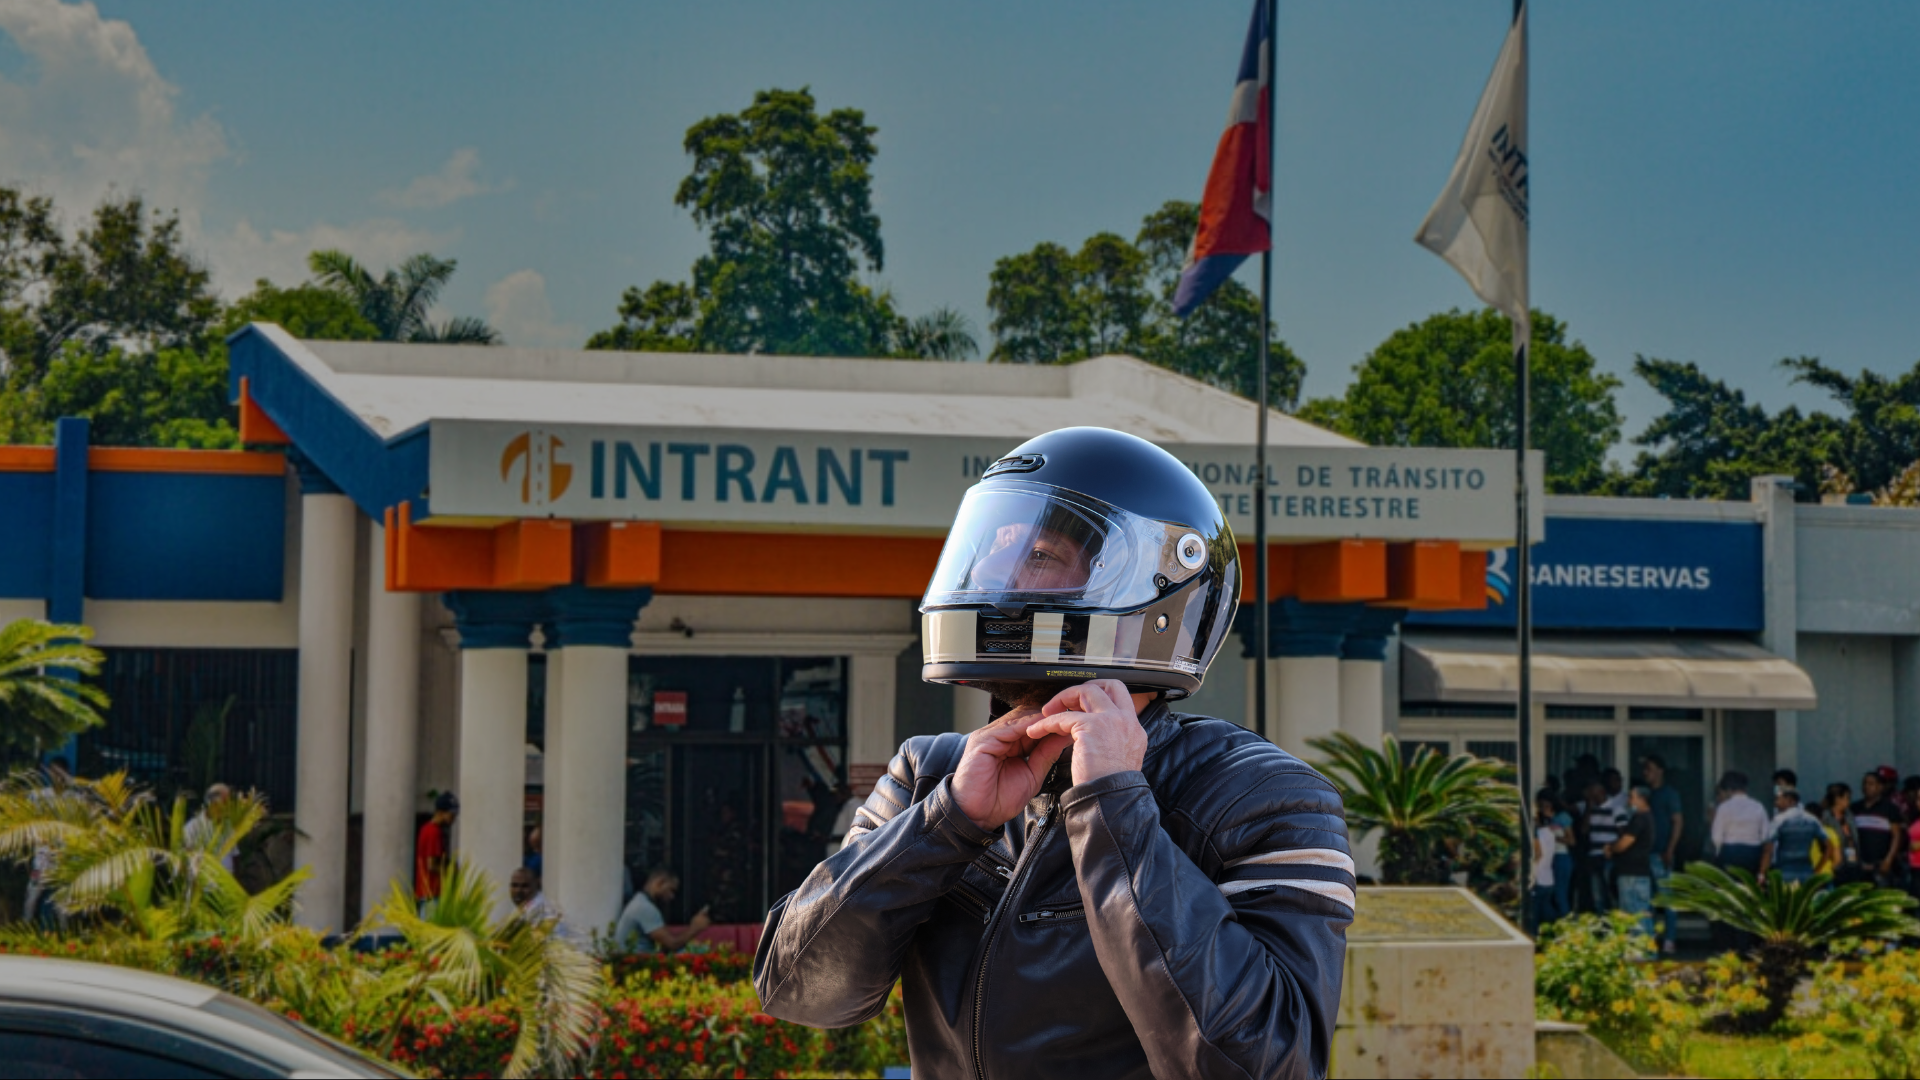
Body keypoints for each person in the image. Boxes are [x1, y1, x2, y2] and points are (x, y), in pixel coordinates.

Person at [754, 427, 1350, 1080]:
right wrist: (947, 823)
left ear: (1152, 588)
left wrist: (1114, 808)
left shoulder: (1264, 797)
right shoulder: (927, 775)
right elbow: (799, 992)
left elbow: (1268, 1063)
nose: (993, 580)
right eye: (990, 552)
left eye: (1037, 555)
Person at [1639, 755, 1685, 954]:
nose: (1645, 772)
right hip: (1644, 854)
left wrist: (1670, 849)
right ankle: (1649, 939)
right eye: (1644, 769)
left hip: (1661, 854)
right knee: (1646, 900)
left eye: (1649, 768)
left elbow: (1678, 821)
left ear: (1660, 770)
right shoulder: (1646, 794)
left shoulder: (1669, 794)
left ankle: (1669, 939)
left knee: (1667, 898)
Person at [614, 868, 711, 952]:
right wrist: (695, 928)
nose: (672, 896)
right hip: (635, 962)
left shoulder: (640, 901)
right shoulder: (645, 907)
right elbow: (672, 944)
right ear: (660, 882)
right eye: (671, 890)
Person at [1608, 786, 1657, 942]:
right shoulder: (1648, 817)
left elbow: (1625, 842)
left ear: (1642, 799)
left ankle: (1640, 952)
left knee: (1633, 917)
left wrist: (1611, 849)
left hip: (1632, 874)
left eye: (1631, 797)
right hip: (1640, 872)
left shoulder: (1640, 818)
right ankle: (1647, 950)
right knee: (1642, 915)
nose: (1629, 801)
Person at [1759, 788, 1831, 885]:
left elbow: (1768, 849)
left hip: (1784, 874)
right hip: (1806, 874)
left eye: (1778, 799)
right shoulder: (1812, 820)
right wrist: (1817, 870)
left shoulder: (1779, 820)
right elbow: (1828, 846)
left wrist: (1762, 873)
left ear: (1790, 801)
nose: (1776, 803)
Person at [1710, 772, 1768, 874]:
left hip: (1730, 851)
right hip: (1752, 852)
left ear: (1729, 789)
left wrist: (1718, 852)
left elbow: (1717, 837)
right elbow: (1765, 835)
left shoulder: (1724, 807)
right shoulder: (1758, 806)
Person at [1856, 770, 1905, 887]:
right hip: (1861, 865)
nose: (1866, 787)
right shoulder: (1855, 808)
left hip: (1881, 865)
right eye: (1864, 783)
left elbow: (1896, 836)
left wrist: (1889, 860)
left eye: (1871, 784)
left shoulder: (1889, 808)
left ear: (1880, 787)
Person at [1583, 778, 1624, 912]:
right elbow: (1584, 830)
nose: (1589, 795)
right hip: (1593, 855)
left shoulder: (1616, 808)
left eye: (1592, 792)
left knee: (1610, 891)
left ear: (1601, 792)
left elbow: (1622, 832)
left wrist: (1615, 851)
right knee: (1597, 894)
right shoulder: (1591, 809)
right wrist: (1588, 808)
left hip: (1608, 856)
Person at [415, 791, 458, 912]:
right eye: (451, 814)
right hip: (432, 894)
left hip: (428, 893)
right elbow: (432, 865)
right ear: (441, 812)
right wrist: (451, 871)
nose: (453, 819)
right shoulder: (433, 832)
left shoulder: (426, 829)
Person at [183, 783, 237, 872]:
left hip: (227, 879)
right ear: (212, 803)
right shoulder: (192, 827)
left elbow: (234, 856)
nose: (229, 807)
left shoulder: (228, 826)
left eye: (229, 802)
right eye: (225, 803)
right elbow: (187, 858)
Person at [1532, 791, 1565, 924]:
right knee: (1546, 913)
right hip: (1548, 878)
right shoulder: (1550, 833)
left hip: (1538, 878)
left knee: (1534, 915)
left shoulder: (1537, 834)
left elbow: (1537, 854)